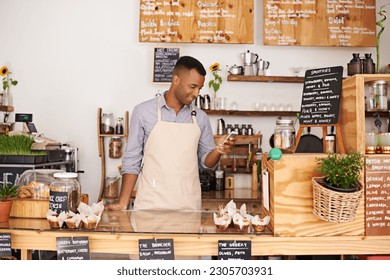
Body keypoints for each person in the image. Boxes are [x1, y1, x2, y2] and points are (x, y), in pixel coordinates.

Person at [106, 56, 234, 211]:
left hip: (189, 206)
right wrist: (123, 202)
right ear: (176, 80)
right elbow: (132, 160)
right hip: (150, 205)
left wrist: (217, 151)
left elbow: (207, 163)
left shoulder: (200, 118)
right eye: (192, 86)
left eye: (199, 88)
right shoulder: (143, 112)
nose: (196, 93)